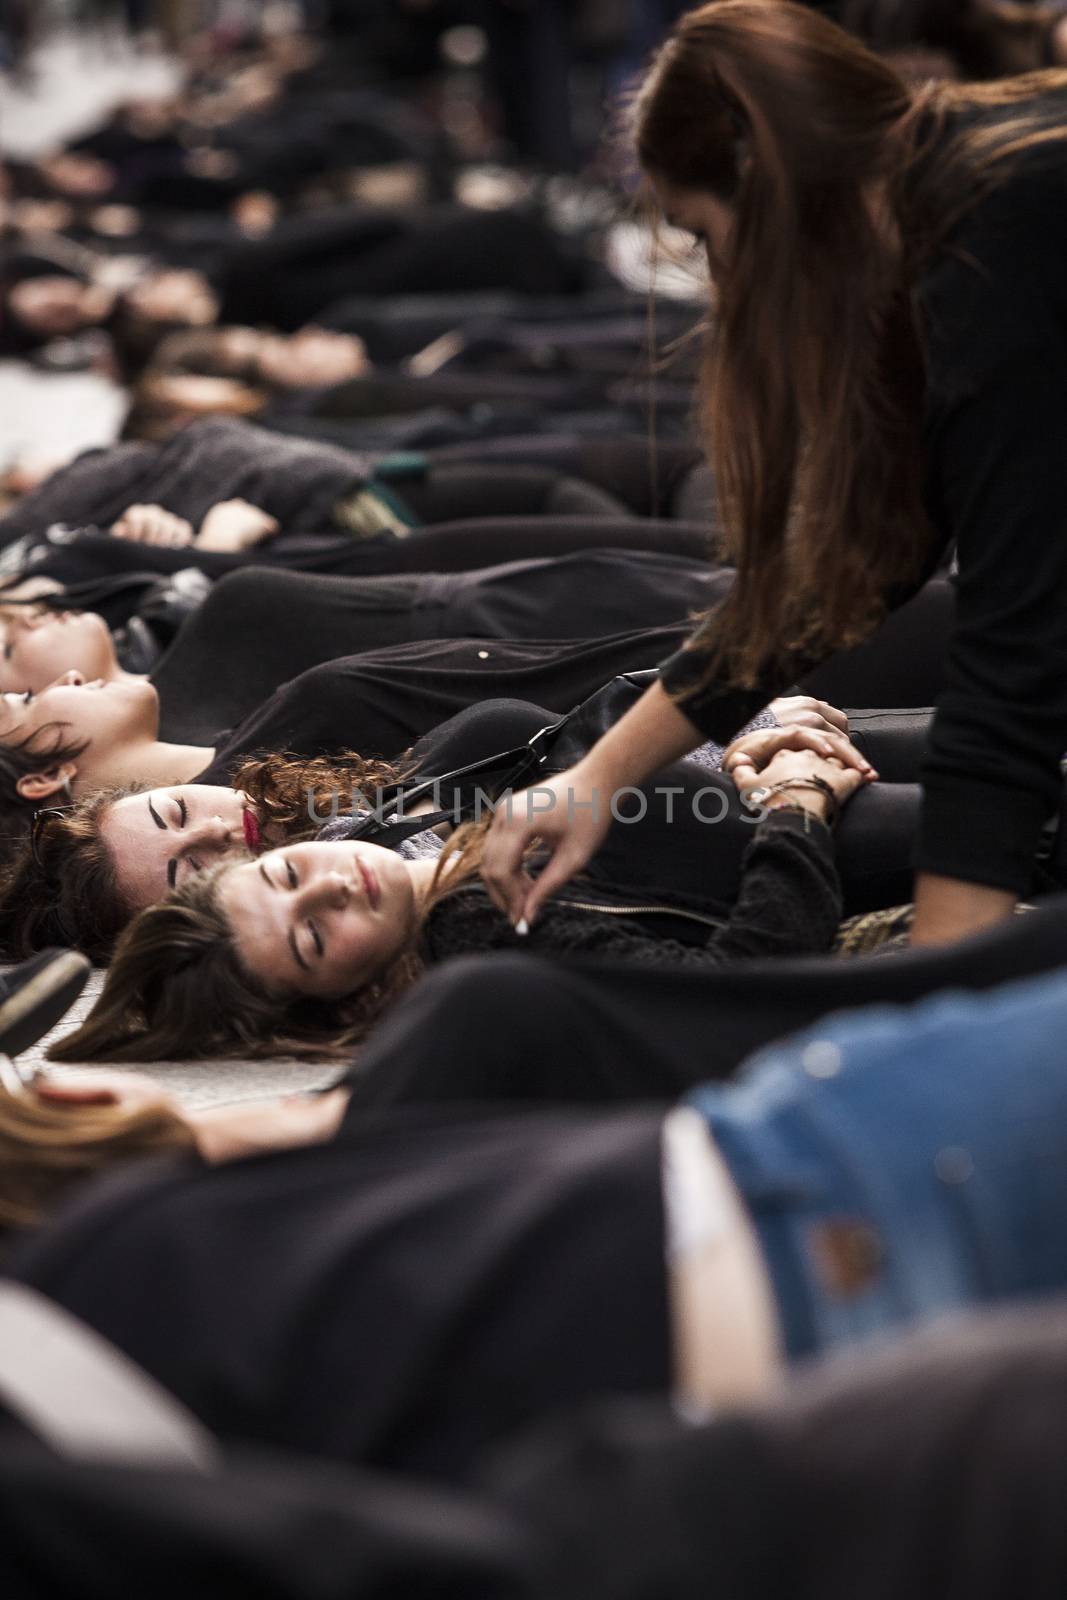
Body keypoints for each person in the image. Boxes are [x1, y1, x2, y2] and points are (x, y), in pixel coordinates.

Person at [481, 1, 1067, 949]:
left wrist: (935, 997)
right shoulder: (947, 188)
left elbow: (1011, 667)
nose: (720, 281)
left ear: (768, 186)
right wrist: (594, 778)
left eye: (706, 236)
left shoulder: (986, 236)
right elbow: (855, 566)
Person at [8, 960, 1067, 1484]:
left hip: (794, 1392)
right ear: (65, 1103)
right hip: (810, 1202)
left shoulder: (116, 1382)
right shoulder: (129, 1258)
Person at [50, 733, 872, 1059]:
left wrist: (757, 733)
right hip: (846, 840)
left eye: (290, 876)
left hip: (790, 760)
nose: (334, 886)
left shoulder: (429, 849)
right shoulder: (476, 923)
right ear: (337, 1002)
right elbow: (744, 987)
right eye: (312, 938)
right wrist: (796, 810)